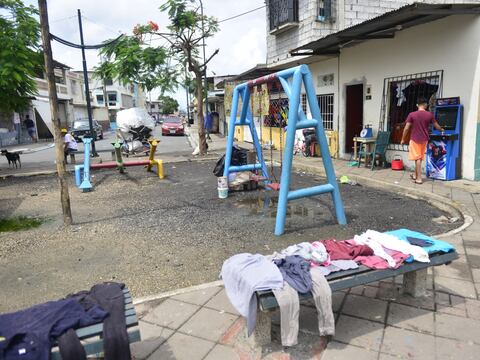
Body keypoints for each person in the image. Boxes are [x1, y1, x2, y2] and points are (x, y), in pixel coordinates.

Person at [401, 97, 444, 184]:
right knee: (419, 157)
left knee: (417, 159)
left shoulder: (412, 114)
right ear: (425, 105)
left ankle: (419, 178)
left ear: (417, 105)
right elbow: (437, 126)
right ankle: (415, 175)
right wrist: (442, 130)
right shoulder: (429, 115)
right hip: (424, 139)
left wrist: (403, 139)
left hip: (414, 139)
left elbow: (406, 128)